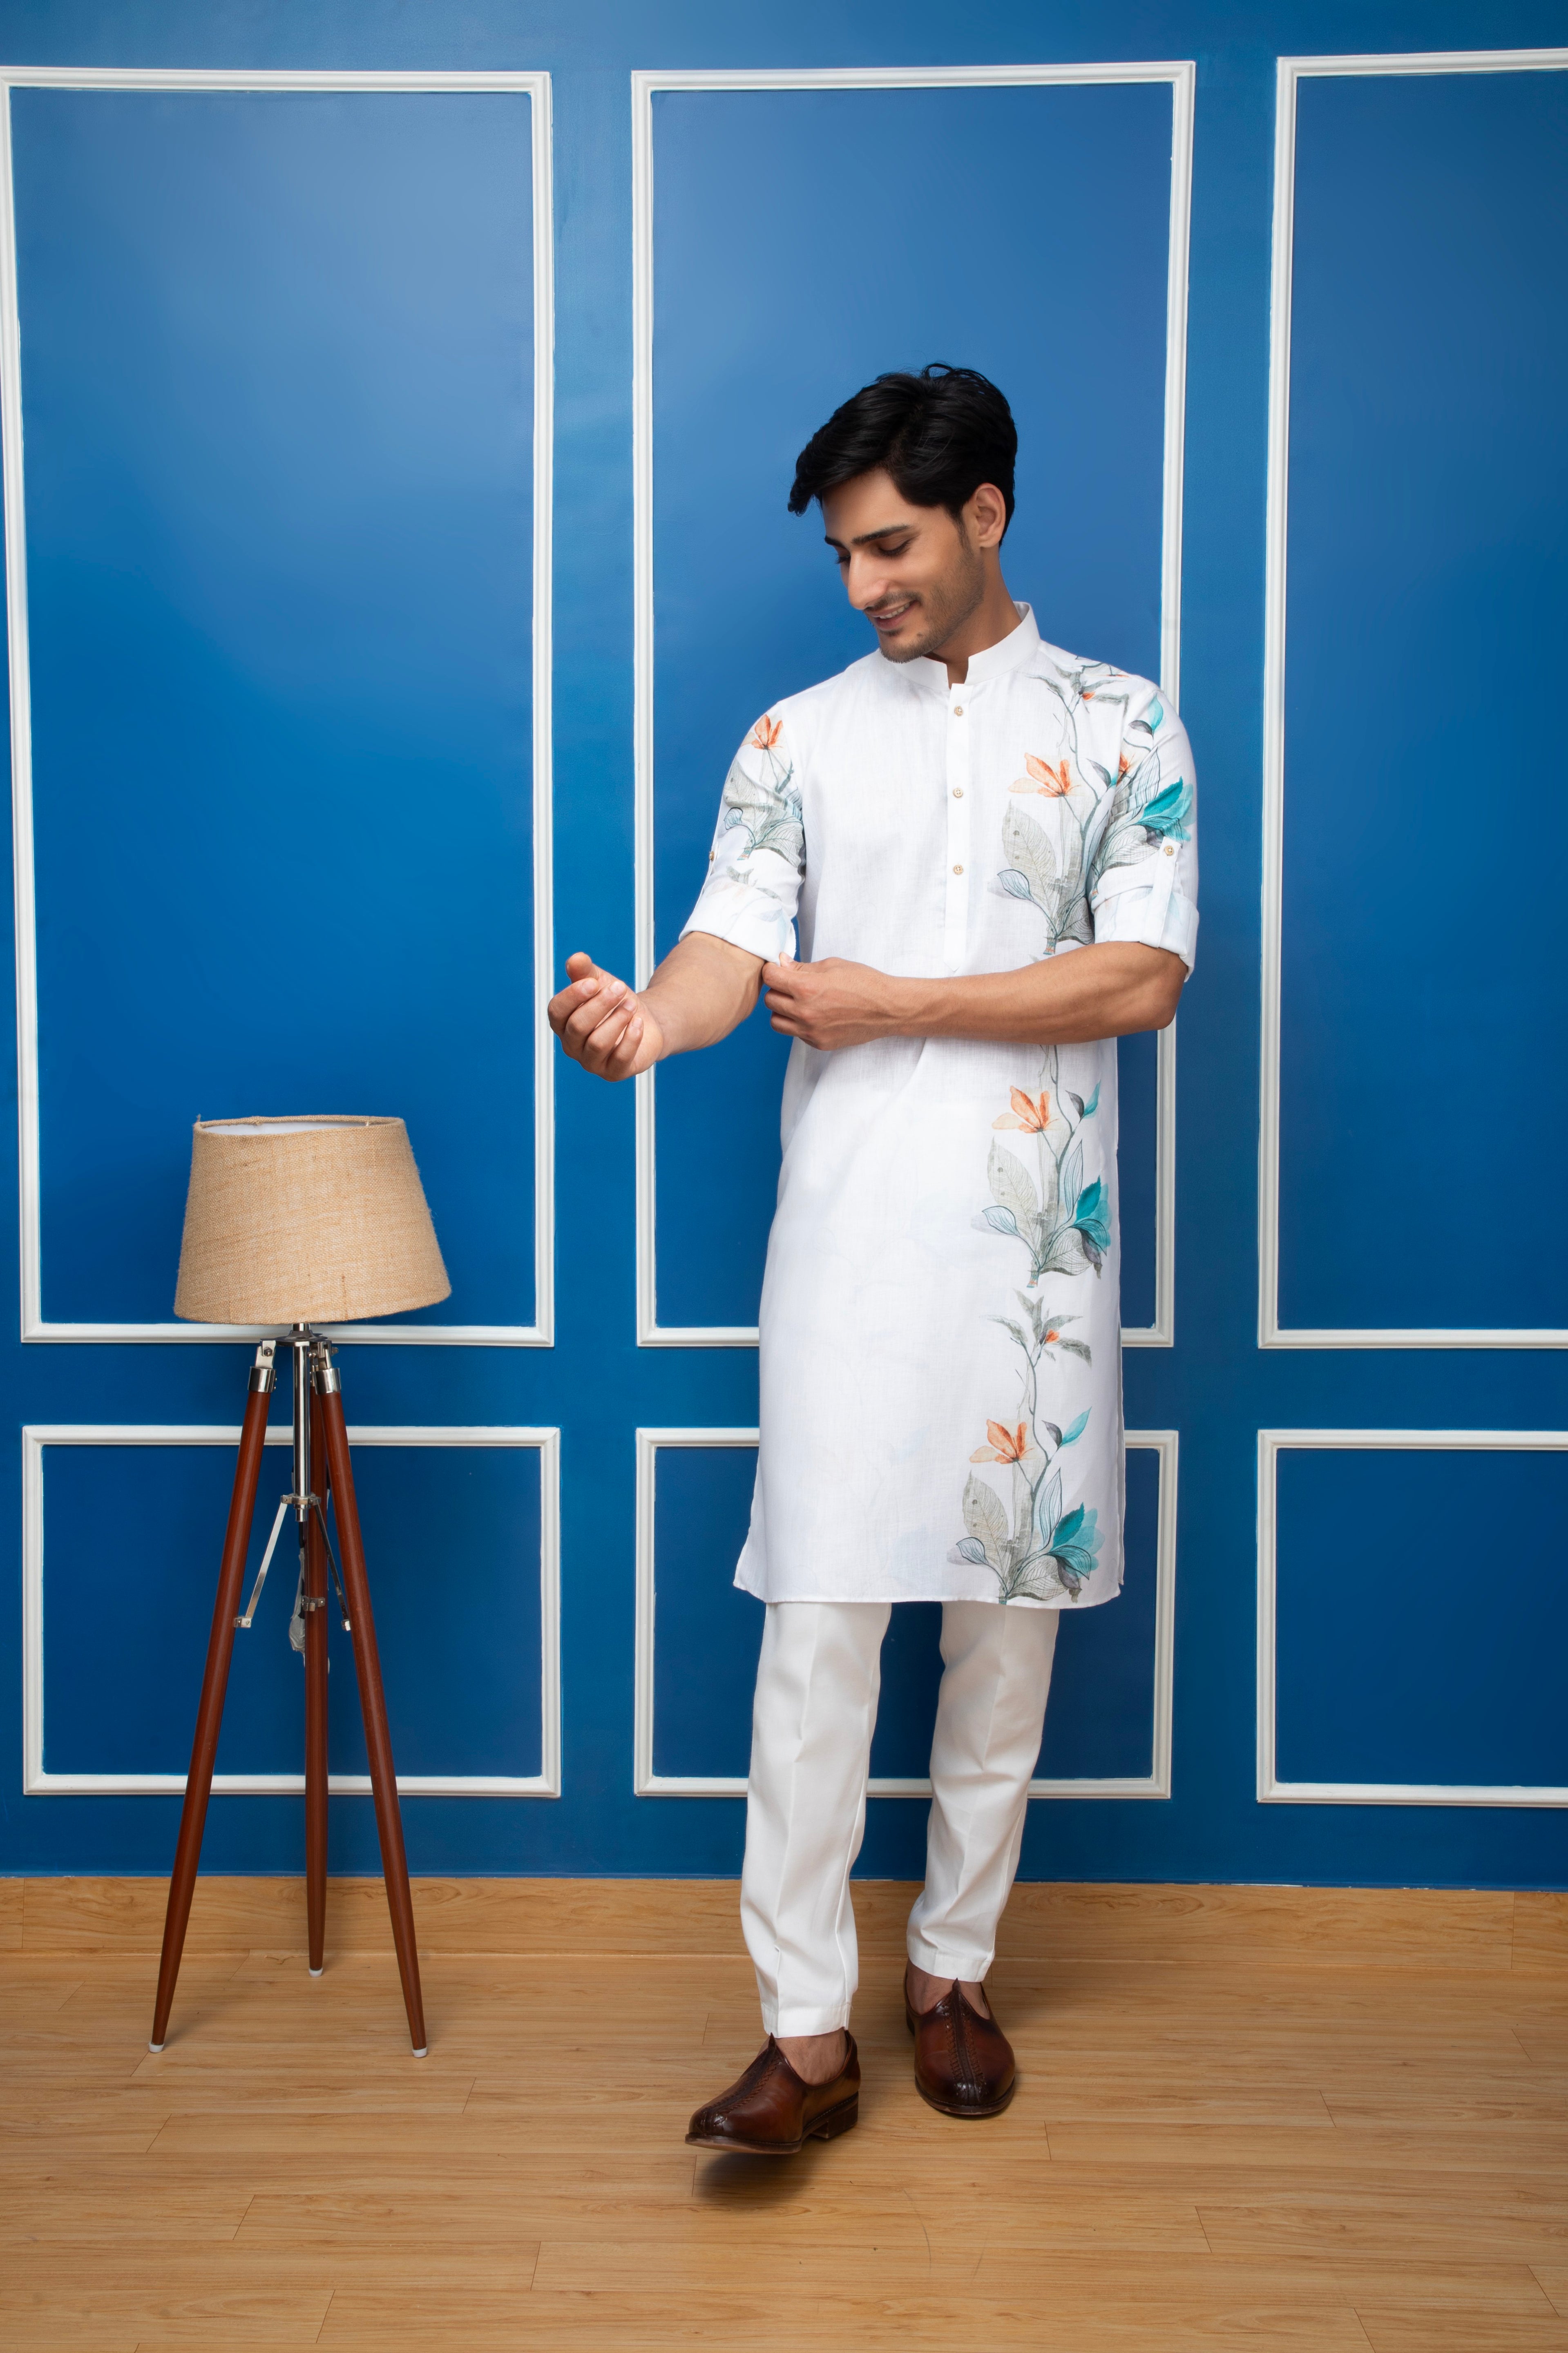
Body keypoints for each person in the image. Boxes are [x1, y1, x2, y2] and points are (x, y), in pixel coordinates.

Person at [549, 364, 1197, 2154]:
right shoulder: (796, 738)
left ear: (987, 514)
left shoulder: (1126, 725)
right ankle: (804, 2032)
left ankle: (953, 1974)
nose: (863, 585)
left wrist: (897, 1000)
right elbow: (728, 949)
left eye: (892, 545)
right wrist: (648, 1027)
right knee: (818, 1634)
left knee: (1006, 1637)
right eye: (844, 553)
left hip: (1039, 1259)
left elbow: (1143, 976)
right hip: (843, 1246)